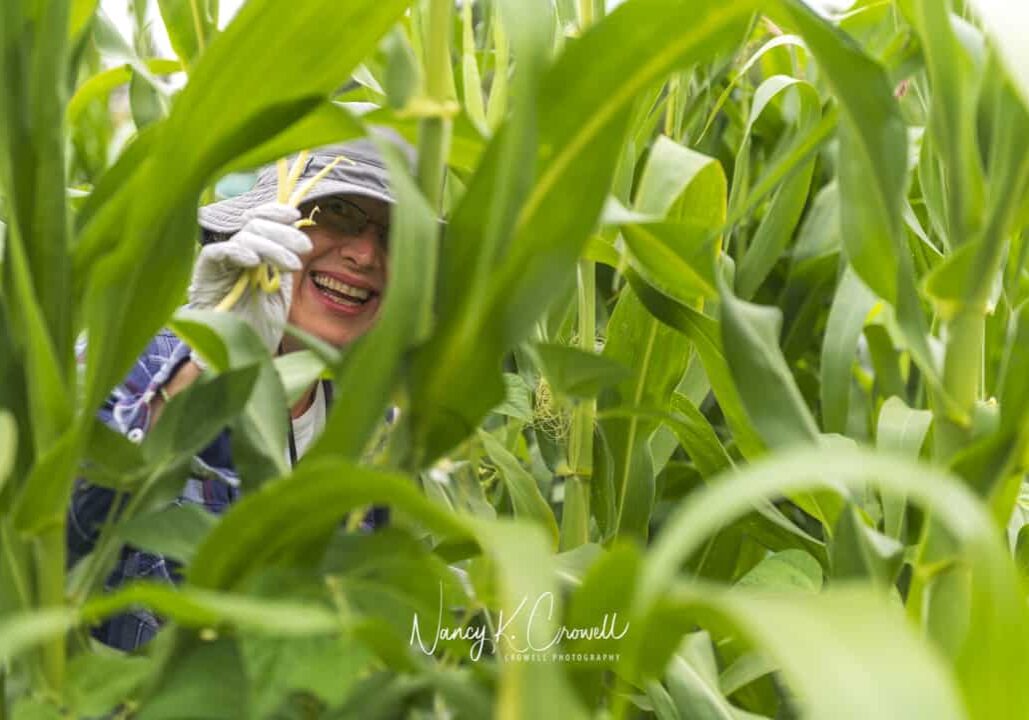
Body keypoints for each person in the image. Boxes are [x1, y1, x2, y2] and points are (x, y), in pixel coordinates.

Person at [67, 129, 416, 651]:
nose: (366, 255)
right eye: (338, 211)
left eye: (394, 236)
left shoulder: (372, 430)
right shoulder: (135, 351)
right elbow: (59, 536)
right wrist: (208, 359)